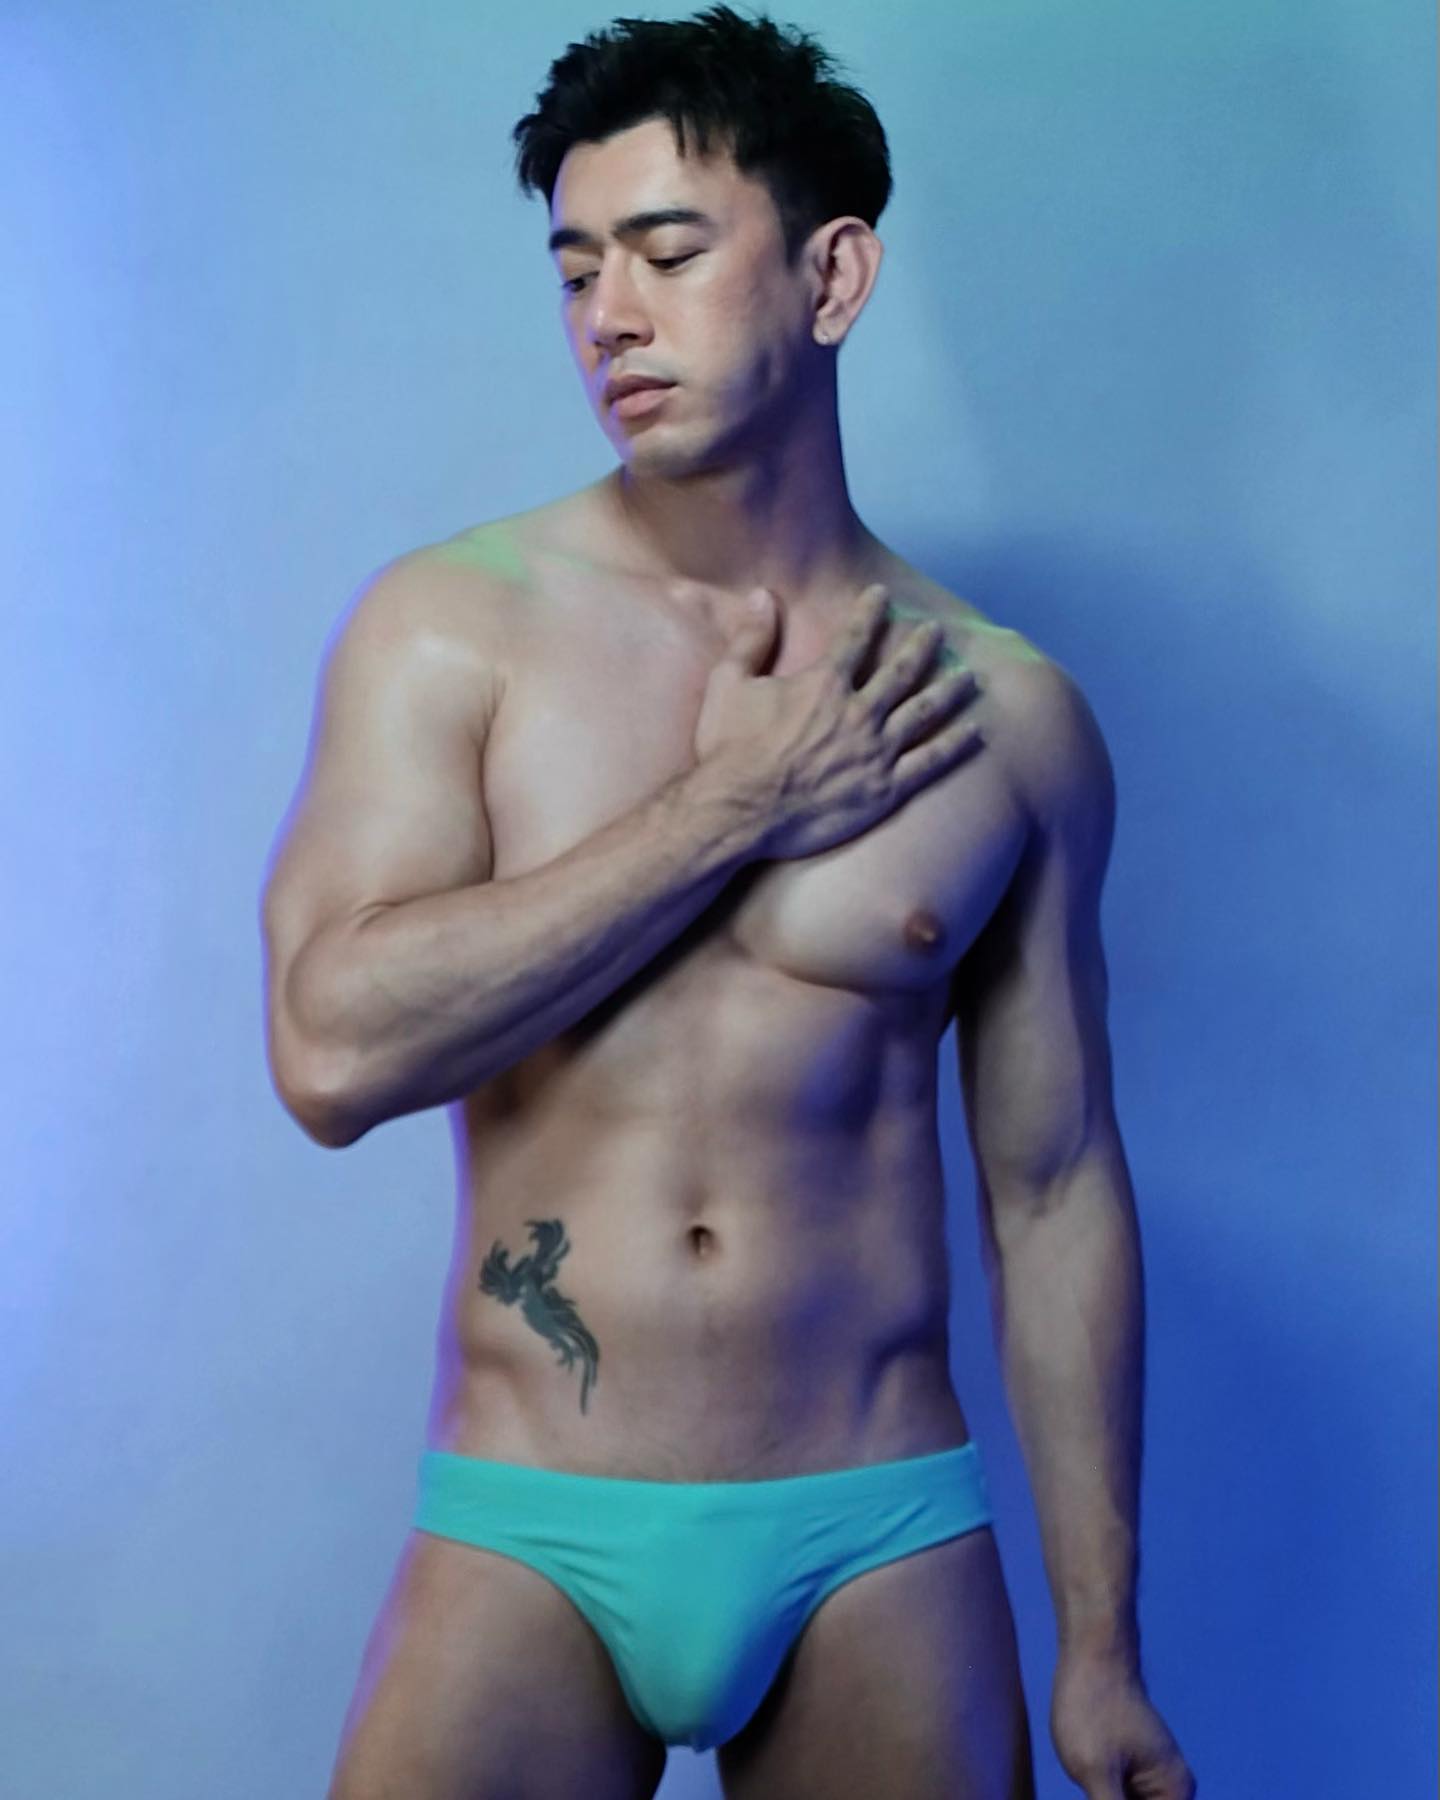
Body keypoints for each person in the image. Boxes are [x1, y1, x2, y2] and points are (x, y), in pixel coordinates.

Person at [260, 7, 1195, 1797]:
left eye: (668, 253)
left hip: (874, 1522)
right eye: (576, 270)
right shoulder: (453, 630)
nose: (608, 315)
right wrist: (733, 810)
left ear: (833, 275)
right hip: (534, 1515)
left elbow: (1055, 1183)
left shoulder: (1005, 717)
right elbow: (328, 1053)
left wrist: (1102, 1647)